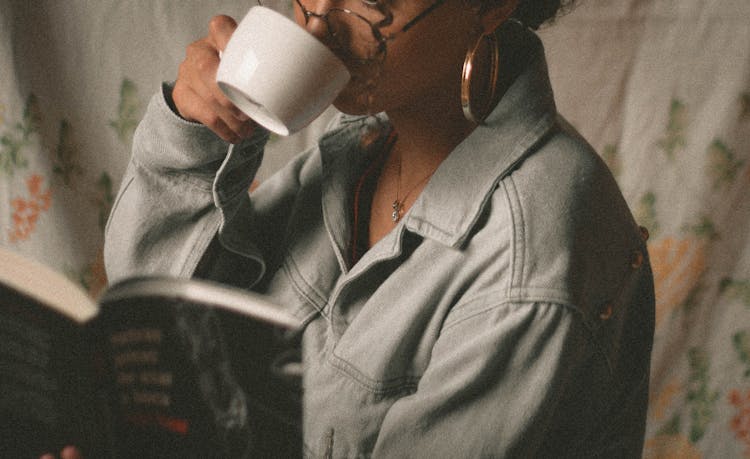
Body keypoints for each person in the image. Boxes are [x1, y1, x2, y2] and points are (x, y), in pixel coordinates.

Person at [104, 0, 655, 457]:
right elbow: (157, 329)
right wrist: (195, 131)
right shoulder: (365, 150)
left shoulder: (529, 257)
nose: (318, 20)